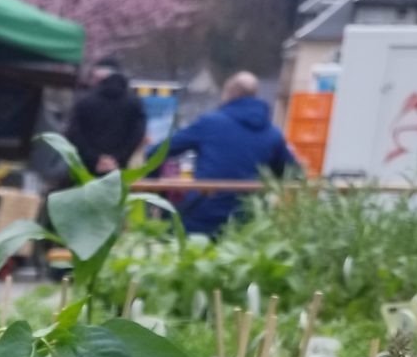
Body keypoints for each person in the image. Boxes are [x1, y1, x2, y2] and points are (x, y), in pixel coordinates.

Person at [166, 72, 298, 234]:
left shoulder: (210, 124)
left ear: (227, 94)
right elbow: (295, 174)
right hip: (249, 221)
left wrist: (160, 197)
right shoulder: (273, 134)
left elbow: (158, 151)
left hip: (202, 217)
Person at [66, 58, 146, 176]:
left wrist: (95, 159)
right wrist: (117, 159)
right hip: (119, 169)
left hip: (86, 170)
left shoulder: (85, 101)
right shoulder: (135, 103)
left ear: (98, 75)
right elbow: (137, 134)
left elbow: (73, 133)